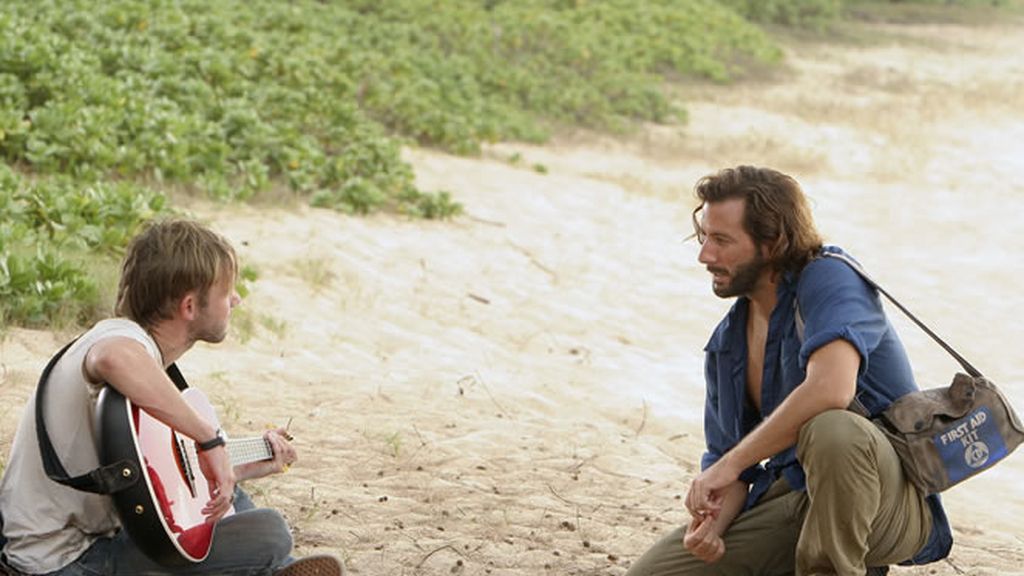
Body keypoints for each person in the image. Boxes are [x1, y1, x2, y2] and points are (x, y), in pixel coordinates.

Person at [626, 166, 952, 576]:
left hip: (887, 504)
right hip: (794, 497)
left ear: (773, 242)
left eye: (722, 240)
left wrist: (728, 465)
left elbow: (832, 389)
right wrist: (712, 527)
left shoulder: (830, 277)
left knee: (834, 428)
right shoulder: (727, 343)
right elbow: (730, 466)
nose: (705, 255)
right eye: (703, 237)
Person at [0, 219, 343, 576]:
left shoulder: (144, 366)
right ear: (189, 306)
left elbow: (157, 481)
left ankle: (277, 570)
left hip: (90, 542)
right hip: (64, 561)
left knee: (233, 502)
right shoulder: (120, 339)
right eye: (227, 292)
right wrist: (209, 439)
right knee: (270, 534)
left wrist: (236, 467)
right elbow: (111, 357)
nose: (236, 300)